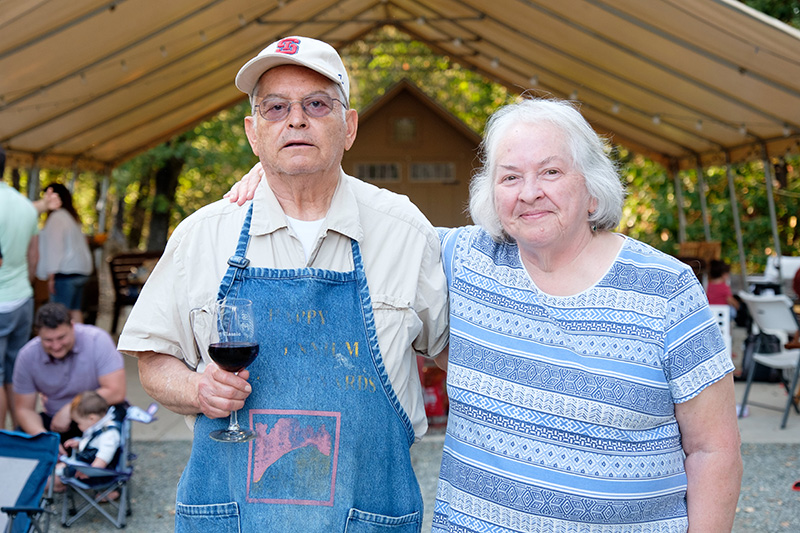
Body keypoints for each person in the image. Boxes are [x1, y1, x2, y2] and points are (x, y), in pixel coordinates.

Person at [230, 97, 743, 531]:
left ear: (591, 187)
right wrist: (285, 168)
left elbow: (712, 451)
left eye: (551, 172)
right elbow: (359, 217)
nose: (528, 192)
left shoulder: (664, 288)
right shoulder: (461, 259)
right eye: (510, 176)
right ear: (491, 194)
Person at [117, 36, 449, 530]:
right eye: (275, 107)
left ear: (350, 126)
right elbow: (153, 359)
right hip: (232, 516)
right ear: (254, 133)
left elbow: (457, 355)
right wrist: (196, 388)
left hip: (368, 514)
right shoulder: (203, 236)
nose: (296, 119)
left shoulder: (403, 231)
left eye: (317, 104)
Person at [13, 303, 126, 444]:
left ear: (72, 326)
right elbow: (24, 409)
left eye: (61, 338)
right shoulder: (27, 355)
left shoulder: (97, 340)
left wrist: (71, 409)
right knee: (19, 438)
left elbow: (116, 391)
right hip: (54, 421)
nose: (56, 346)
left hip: (96, 416)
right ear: (38, 335)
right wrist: (46, 441)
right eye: (48, 340)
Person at [0, 146, 39, 430]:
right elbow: (33, 258)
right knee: (14, 374)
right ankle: (16, 439)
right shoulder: (25, 205)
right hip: (22, 297)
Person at [36, 182, 93, 324]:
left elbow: (55, 248)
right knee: (75, 310)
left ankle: (63, 345)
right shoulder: (71, 217)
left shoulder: (57, 218)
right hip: (80, 272)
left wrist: (51, 277)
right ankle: (80, 344)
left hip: (65, 273)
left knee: (58, 316)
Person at [58, 390, 122, 474]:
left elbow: (105, 455)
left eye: (78, 423)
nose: (78, 426)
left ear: (92, 419)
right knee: (60, 466)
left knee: (57, 470)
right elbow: (94, 443)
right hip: (87, 463)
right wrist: (79, 443)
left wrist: (90, 472)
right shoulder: (99, 427)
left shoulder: (108, 434)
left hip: (96, 473)